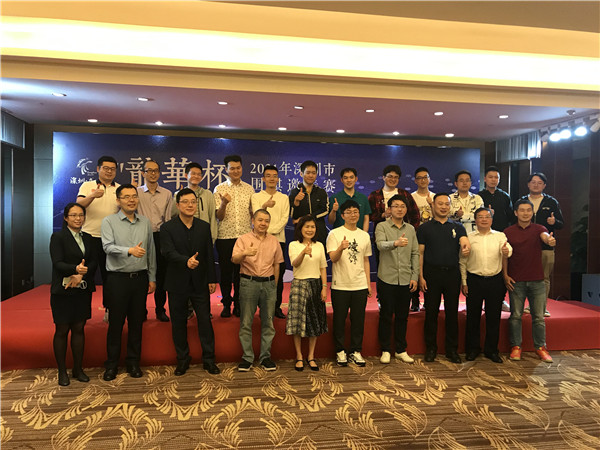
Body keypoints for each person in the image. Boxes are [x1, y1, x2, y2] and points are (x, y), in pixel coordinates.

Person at [161, 188, 220, 375]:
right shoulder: (167, 228)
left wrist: (212, 278)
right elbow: (167, 252)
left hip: (200, 282)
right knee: (178, 323)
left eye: (193, 202)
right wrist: (185, 261)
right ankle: (182, 359)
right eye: (185, 202)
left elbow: (209, 254)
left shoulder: (203, 226)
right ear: (178, 205)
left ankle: (209, 360)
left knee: (205, 321)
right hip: (177, 282)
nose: (190, 205)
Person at [101, 184, 156, 380]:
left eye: (134, 196)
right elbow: (107, 247)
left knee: (136, 324)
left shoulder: (145, 222)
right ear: (118, 200)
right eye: (126, 197)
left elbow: (151, 251)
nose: (131, 200)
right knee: (115, 324)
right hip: (117, 280)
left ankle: (133, 363)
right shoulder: (109, 221)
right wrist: (129, 251)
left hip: (139, 279)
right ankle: (111, 365)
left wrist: (152, 277)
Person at [417, 193, 470, 364]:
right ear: (433, 205)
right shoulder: (424, 228)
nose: (443, 207)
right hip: (431, 274)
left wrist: (466, 246)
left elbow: (464, 242)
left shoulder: (458, 227)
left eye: (446, 204)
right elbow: (420, 254)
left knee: (452, 313)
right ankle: (431, 349)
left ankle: (451, 350)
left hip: (452, 275)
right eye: (440, 204)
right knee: (431, 312)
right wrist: (420, 276)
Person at [50, 203, 97, 386]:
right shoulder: (58, 237)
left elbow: (93, 262)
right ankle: (62, 371)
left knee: (79, 328)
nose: (78, 218)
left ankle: (78, 369)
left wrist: (81, 274)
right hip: (63, 290)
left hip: (82, 289)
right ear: (66, 218)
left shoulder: (89, 238)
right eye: (74, 215)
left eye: (81, 215)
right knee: (62, 330)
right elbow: (57, 263)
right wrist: (74, 270)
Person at [503, 199, 556, 363]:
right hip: (516, 280)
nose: (525, 213)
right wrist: (505, 275)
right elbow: (504, 256)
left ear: (532, 213)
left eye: (528, 210)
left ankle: (541, 348)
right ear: (516, 213)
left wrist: (549, 240)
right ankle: (516, 347)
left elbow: (545, 237)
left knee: (538, 317)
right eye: (522, 210)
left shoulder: (539, 228)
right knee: (516, 316)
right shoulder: (507, 232)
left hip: (537, 280)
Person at [232, 209, 284, 372]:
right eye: (260, 220)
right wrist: (245, 253)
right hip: (249, 283)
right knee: (246, 322)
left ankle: (265, 357)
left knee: (268, 322)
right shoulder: (243, 239)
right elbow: (234, 259)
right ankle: (247, 358)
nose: (263, 223)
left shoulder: (274, 241)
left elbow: (277, 264)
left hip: (268, 285)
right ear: (253, 221)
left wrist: (274, 285)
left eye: (266, 221)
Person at [459, 207, 512, 363]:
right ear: (475, 220)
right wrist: (464, 282)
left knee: (493, 317)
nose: (484, 219)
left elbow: (508, 249)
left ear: (491, 220)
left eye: (487, 217)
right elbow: (462, 261)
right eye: (480, 217)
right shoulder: (469, 237)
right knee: (473, 317)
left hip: (495, 281)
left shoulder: (500, 236)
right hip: (474, 280)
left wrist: (506, 251)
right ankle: (472, 349)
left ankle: (491, 350)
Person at [326, 200, 372, 367]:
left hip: (360, 284)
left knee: (358, 320)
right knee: (339, 319)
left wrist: (368, 283)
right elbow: (333, 258)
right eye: (349, 212)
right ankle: (340, 351)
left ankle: (356, 351)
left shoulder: (364, 235)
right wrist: (340, 248)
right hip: (340, 284)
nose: (353, 215)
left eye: (355, 211)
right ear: (343, 215)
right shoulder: (334, 234)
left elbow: (366, 260)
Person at [375, 195, 419, 364]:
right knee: (386, 315)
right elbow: (380, 245)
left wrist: (414, 276)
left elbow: (415, 253)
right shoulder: (382, 226)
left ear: (406, 209)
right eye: (396, 206)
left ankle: (401, 349)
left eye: (402, 206)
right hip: (387, 277)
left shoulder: (411, 229)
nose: (399, 209)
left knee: (402, 316)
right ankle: (385, 350)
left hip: (406, 278)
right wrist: (395, 243)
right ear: (389, 209)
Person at [172, 162, 217, 320]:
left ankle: (203, 310)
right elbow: (173, 217)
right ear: (186, 175)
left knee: (202, 276)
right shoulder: (178, 194)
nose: (196, 176)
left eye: (199, 174)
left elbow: (213, 218)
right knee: (186, 275)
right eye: (193, 173)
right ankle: (188, 309)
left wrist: (211, 239)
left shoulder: (208, 194)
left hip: (203, 241)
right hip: (183, 244)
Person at [76, 155, 119, 321]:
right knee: (86, 276)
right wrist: (92, 196)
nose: (109, 171)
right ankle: (82, 312)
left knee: (110, 278)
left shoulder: (119, 189)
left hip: (111, 240)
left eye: (112, 169)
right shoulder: (88, 185)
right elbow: (78, 206)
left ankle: (110, 310)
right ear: (98, 169)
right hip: (89, 238)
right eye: (105, 168)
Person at [214, 155, 255, 318]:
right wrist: (224, 203)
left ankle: (238, 304)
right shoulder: (219, 189)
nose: (236, 171)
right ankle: (226, 304)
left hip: (244, 237)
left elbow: (253, 213)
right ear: (226, 170)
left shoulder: (249, 189)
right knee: (225, 273)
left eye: (238, 168)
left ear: (242, 168)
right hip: (225, 237)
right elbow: (219, 216)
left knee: (241, 273)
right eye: (232, 168)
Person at [286, 215, 328, 371]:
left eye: (313, 227)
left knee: (314, 321)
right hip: (299, 285)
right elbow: (294, 264)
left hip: (316, 284)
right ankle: (299, 356)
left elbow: (323, 268)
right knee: (297, 322)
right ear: (300, 228)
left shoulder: (320, 245)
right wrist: (303, 252)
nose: (310, 230)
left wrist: (324, 287)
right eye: (307, 227)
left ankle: (311, 356)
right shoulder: (294, 245)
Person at [519, 172, 564, 316]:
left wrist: (554, 222)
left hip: (546, 247)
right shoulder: (522, 201)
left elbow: (561, 224)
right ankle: (529, 305)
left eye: (539, 183)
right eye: (533, 182)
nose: (536, 185)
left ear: (544, 185)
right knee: (526, 277)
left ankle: (541, 307)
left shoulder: (551, 202)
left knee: (544, 278)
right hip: (525, 247)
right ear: (528, 184)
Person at [251, 165, 290, 319]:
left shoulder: (284, 197)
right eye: (268, 176)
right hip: (259, 240)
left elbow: (284, 218)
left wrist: (269, 231)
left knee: (277, 275)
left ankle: (276, 306)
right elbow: (257, 216)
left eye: (274, 176)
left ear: (278, 179)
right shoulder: (256, 197)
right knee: (260, 273)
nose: (272, 178)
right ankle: (261, 307)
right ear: (263, 179)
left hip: (278, 240)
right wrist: (265, 206)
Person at [137, 159, 172, 322]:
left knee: (161, 274)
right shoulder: (136, 192)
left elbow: (168, 218)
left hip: (160, 236)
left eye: (156, 170)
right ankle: (141, 310)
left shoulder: (167, 193)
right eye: (149, 170)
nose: (152, 173)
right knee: (141, 273)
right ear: (143, 173)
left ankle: (160, 309)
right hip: (140, 236)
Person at [409, 166, 435, 312]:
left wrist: (432, 204)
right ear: (415, 181)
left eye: (425, 177)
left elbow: (440, 216)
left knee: (429, 268)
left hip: (432, 237)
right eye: (419, 178)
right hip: (415, 236)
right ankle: (414, 299)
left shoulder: (435, 197)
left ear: (429, 179)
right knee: (414, 266)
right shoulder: (411, 197)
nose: (423, 180)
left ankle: (428, 300)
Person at [289, 160, 329, 247]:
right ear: (301, 174)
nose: (311, 175)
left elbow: (325, 210)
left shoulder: (321, 192)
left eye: (313, 173)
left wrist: (309, 217)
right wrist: (296, 202)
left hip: (319, 231)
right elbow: (291, 215)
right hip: (301, 232)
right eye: (308, 173)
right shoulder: (294, 192)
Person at [328, 167, 371, 231]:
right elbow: (331, 222)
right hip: (340, 235)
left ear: (356, 179)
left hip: (358, 234)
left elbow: (366, 219)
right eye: (345, 178)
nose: (349, 180)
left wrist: (364, 234)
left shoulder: (363, 198)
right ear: (342, 180)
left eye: (351, 177)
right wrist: (334, 211)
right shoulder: (334, 198)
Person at [477, 166, 514, 232]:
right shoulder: (479, 196)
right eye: (490, 177)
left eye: (496, 177)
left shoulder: (505, 196)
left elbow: (510, 216)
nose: (493, 180)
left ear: (499, 180)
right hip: (483, 231)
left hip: (502, 231)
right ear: (485, 179)